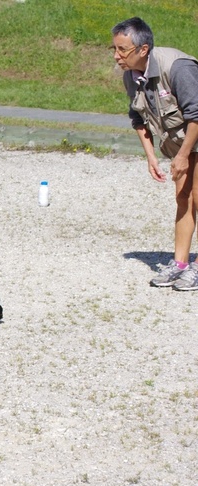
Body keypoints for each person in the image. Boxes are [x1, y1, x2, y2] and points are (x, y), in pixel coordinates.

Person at [111, 18, 198, 291]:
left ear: (143, 49)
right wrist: (151, 156)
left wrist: (182, 156)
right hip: (183, 144)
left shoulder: (179, 68)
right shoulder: (131, 75)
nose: (116, 56)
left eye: (122, 50)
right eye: (114, 48)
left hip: (193, 137)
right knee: (183, 197)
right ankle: (180, 264)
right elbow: (137, 117)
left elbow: (196, 115)